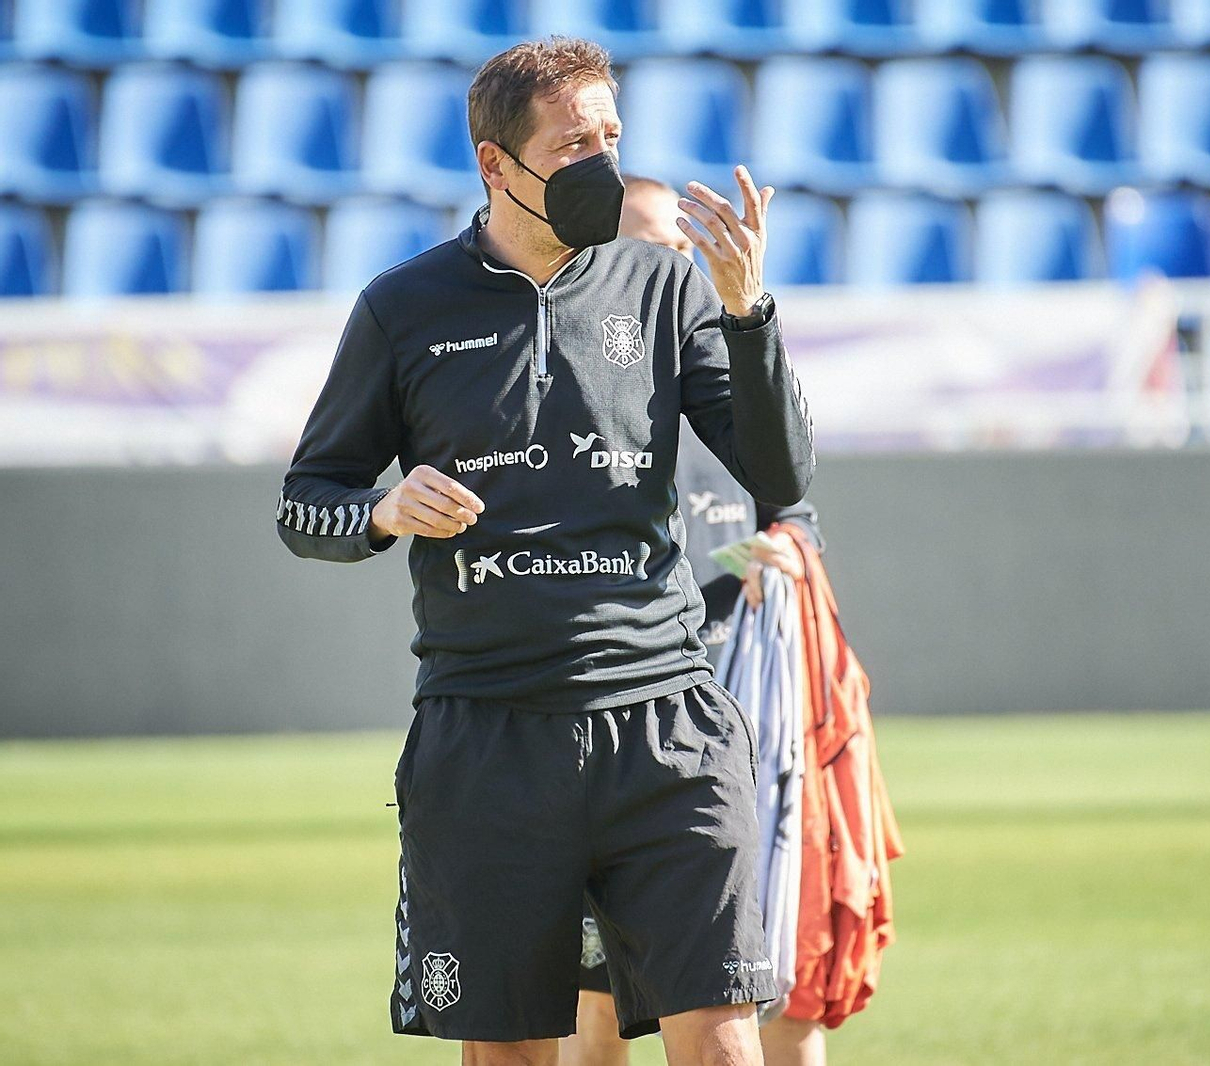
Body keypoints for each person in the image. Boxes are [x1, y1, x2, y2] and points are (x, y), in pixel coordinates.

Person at [276, 37, 814, 1066]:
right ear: (496, 164)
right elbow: (308, 505)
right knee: (512, 1052)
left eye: (612, 136)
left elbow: (780, 475)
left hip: (667, 723)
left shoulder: (665, 286)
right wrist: (387, 511)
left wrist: (749, 315)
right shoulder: (403, 307)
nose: (602, 162)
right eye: (575, 143)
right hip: (490, 738)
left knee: (725, 1043)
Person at [560, 175, 827, 1066]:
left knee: (776, 996)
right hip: (609, 737)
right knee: (597, 1004)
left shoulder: (723, 378)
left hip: (726, 739)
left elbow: (791, 506)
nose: (675, 262)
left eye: (682, 246)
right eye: (649, 246)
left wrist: (787, 548)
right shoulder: (573, 400)